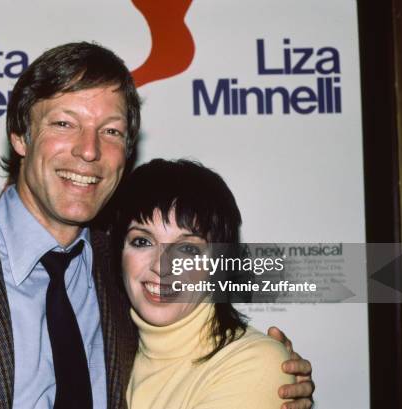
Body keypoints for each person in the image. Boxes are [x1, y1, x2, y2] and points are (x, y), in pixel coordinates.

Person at [0, 42, 314, 408]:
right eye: (64, 123)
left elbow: (306, 277)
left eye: (111, 131)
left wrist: (269, 368)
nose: (89, 150)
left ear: (127, 150)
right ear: (20, 135)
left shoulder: (131, 258)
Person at [115, 158, 302, 409]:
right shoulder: (107, 351)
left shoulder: (253, 362)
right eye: (142, 242)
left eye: (188, 248)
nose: (161, 266)